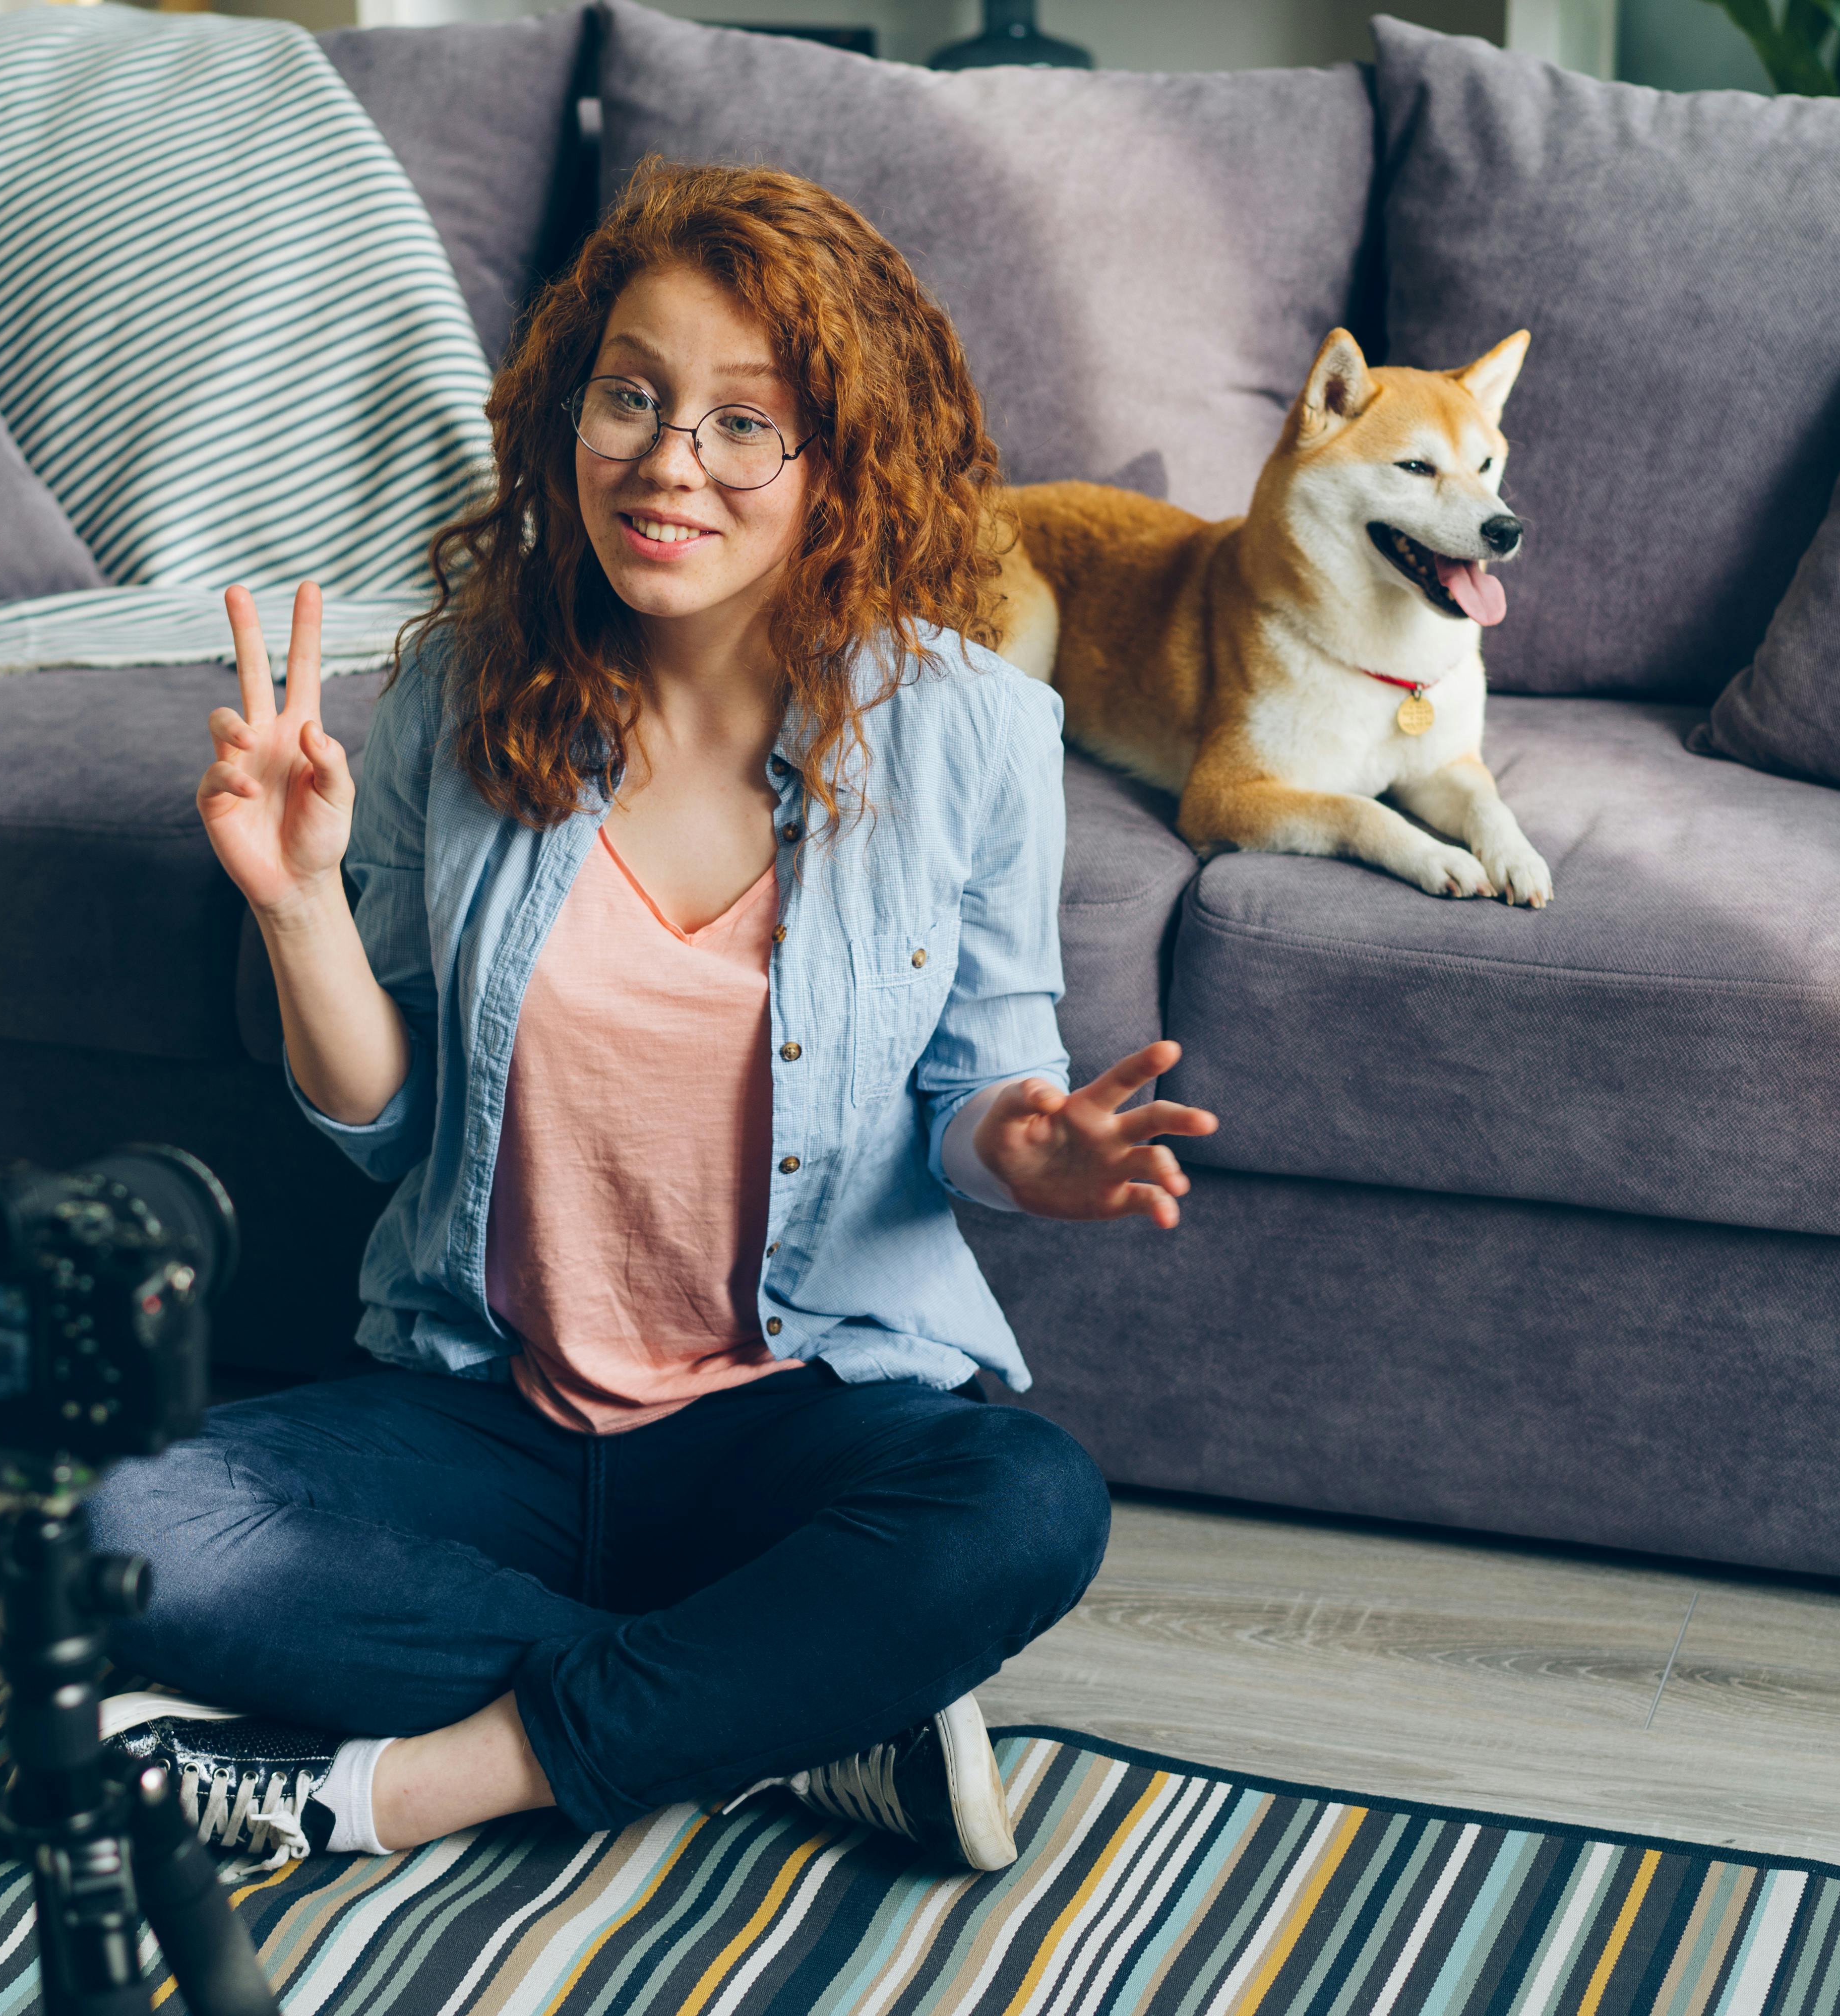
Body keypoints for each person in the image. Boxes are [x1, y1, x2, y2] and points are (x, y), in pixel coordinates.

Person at [88, 160, 1220, 1874]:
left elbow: (984, 1087)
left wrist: (1032, 1149)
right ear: (568, 408)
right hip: (494, 1401)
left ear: (838, 461)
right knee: (128, 1523)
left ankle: (404, 1786)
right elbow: (390, 1121)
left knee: (1028, 1505)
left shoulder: (977, 732)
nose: (667, 462)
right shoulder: (466, 687)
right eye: (631, 395)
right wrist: (298, 903)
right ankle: (794, 1707)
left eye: (743, 422)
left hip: (799, 1403)